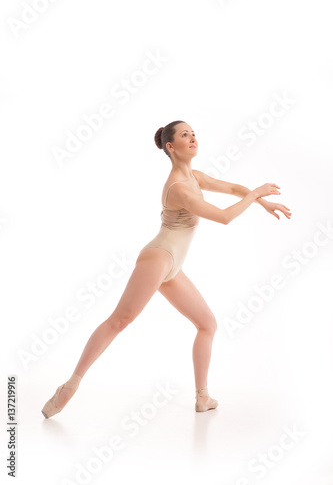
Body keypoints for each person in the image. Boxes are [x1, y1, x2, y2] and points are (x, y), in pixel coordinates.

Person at [41, 120, 292, 417]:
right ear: (171, 147)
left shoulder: (195, 177)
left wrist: (261, 201)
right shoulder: (178, 188)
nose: (193, 138)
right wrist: (256, 195)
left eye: (194, 133)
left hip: (173, 266)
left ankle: (202, 397)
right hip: (158, 257)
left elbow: (234, 188)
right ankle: (71, 384)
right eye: (185, 135)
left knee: (207, 324)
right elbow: (224, 217)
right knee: (119, 321)